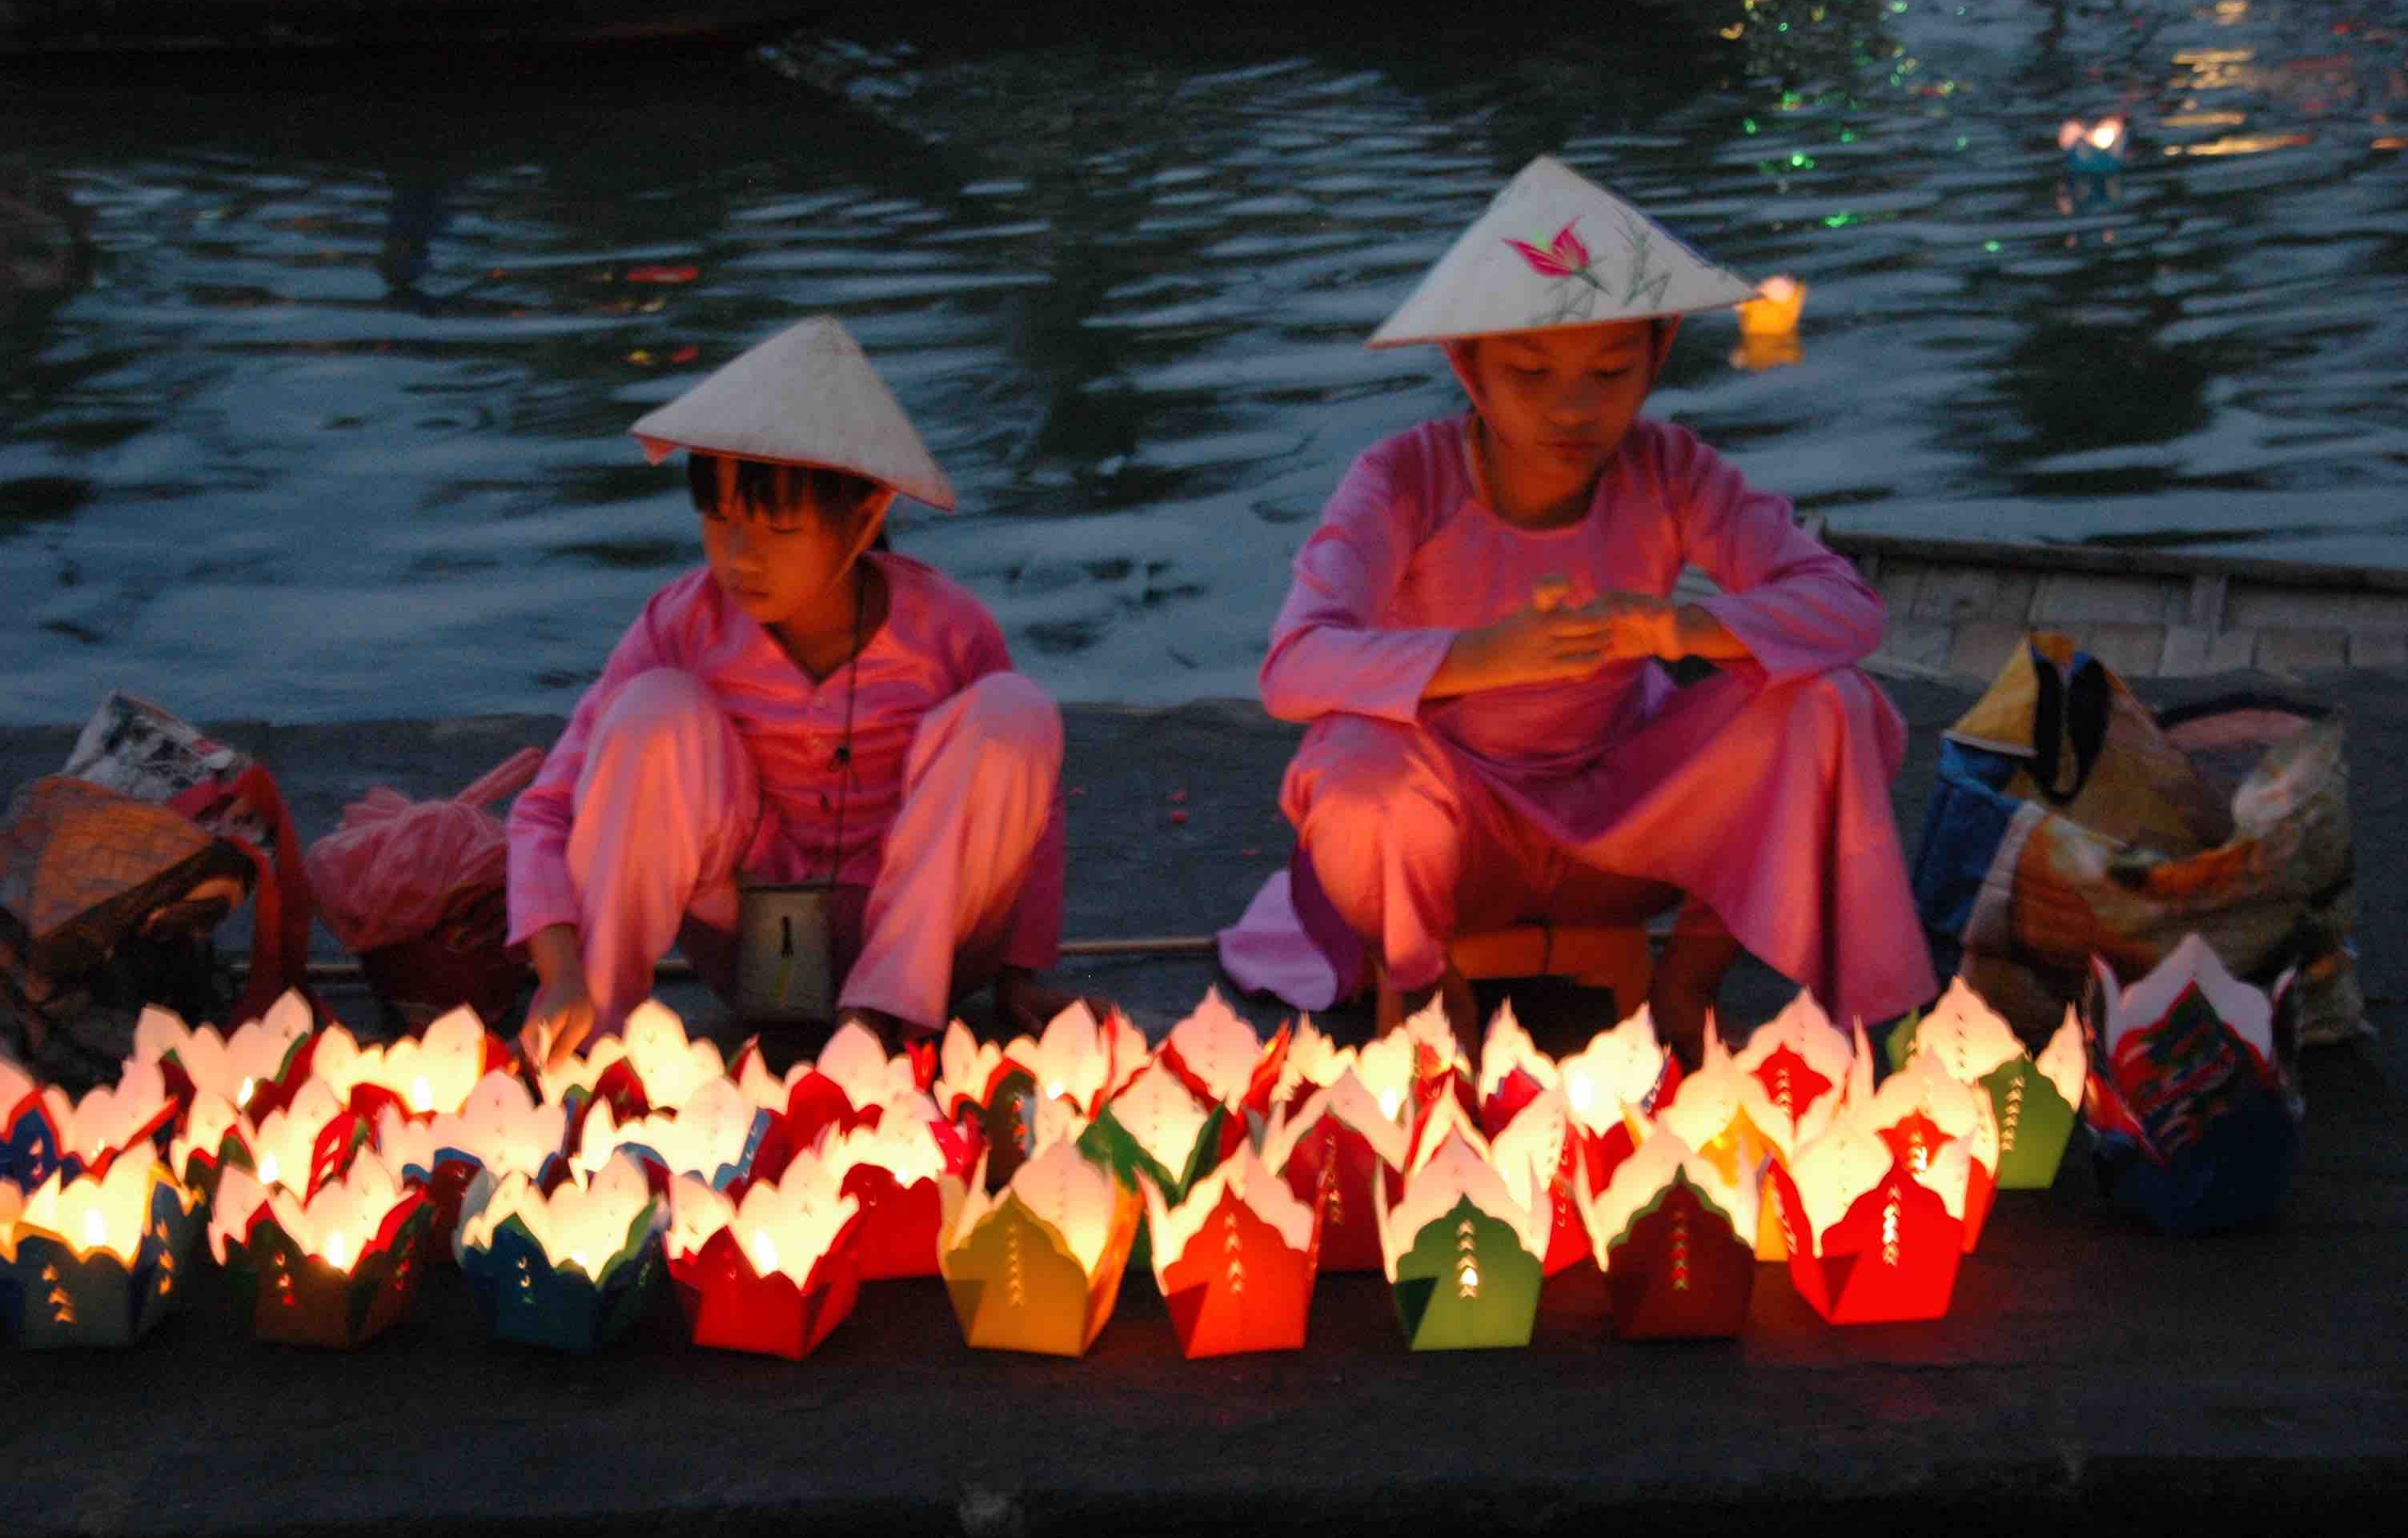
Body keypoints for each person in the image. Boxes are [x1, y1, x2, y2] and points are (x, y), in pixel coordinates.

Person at [1217, 156, 1937, 1067]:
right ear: (1469, 366)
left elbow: (1845, 607)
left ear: (1655, 357)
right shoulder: (1403, 479)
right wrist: (1487, 654)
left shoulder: (1671, 469)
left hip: (1622, 837)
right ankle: (1430, 996)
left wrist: (1679, 628)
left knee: (1831, 703)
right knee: (1354, 772)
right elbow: (1294, 667)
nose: (1573, 406)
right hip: (1450, 836)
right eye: (1529, 371)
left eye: (1609, 371)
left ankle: (1690, 987)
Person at [509, 316, 1068, 1066]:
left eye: (777, 527)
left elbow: (1023, 800)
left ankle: (876, 1026)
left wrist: (1020, 974)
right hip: (752, 952)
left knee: (1014, 714)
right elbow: (549, 809)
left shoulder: (946, 631)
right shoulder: (682, 626)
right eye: (720, 518)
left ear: (865, 517)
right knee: (651, 713)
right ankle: (603, 1029)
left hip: (928, 952)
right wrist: (564, 973)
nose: (740, 557)